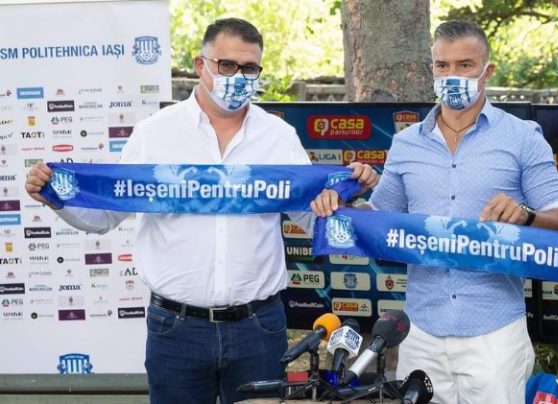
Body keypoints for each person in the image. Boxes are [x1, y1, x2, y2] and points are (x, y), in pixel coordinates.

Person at [25, 18, 377, 404]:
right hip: (176, 329)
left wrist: (344, 199)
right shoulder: (153, 134)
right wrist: (56, 199)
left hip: (258, 329)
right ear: (200, 65)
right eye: (227, 65)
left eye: (249, 68)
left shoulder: (278, 138)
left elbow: (311, 219)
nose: (238, 77)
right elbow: (105, 217)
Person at [312, 20, 558, 404]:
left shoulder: (522, 137)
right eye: (443, 65)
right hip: (420, 331)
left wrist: (526, 214)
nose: (453, 75)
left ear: (487, 71)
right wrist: (344, 205)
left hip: (495, 332)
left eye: (465, 65)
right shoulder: (406, 144)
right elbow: (378, 220)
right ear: (431, 70)